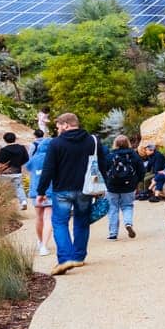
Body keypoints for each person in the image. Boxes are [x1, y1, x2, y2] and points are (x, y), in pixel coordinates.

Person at [34, 113, 104, 274]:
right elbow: (102, 163)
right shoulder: (92, 141)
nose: (57, 129)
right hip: (85, 189)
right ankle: (79, 257)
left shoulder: (56, 143)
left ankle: (65, 259)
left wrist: (41, 191)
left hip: (62, 190)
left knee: (59, 222)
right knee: (81, 221)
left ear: (66, 125)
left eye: (58, 126)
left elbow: (49, 169)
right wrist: (103, 187)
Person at [102, 134, 145, 240]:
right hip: (129, 186)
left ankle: (113, 234)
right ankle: (128, 223)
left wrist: (106, 182)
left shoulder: (110, 156)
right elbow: (141, 170)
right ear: (128, 143)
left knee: (112, 208)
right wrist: (137, 182)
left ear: (115, 144)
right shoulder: (134, 155)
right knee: (127, 206)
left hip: (112, 186)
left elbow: (103, 170)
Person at [26, 130, 54, 256]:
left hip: (35, 192)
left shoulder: (34, 159)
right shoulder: (53, 159)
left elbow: (27, 168)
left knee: (39, 218)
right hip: (50, 192)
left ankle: (40, 240)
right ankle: (44, 246)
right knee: (48, 218)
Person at [0, 131, 30, 209]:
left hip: (5, 173)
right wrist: (19, 164)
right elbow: (26, 158)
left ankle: (3, 204)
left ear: (5, 140)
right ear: (15, 139)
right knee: (19, 187)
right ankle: (23, 202)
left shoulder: (4, 150)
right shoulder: (21, 148)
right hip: (17, 171)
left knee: (2, 188)